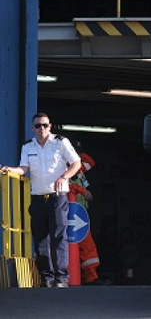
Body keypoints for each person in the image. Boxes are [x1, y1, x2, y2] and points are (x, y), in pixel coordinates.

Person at [0, 113, 81, 288]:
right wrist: (9, 170)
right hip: (37, 198)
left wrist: (64, 177)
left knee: (58, 236)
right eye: (38, 126)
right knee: (40, 237)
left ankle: (61, 278)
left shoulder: (60, 143)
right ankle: (47, 277)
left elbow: (76, 163)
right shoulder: (28, 147)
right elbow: (23, 168)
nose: (41, 129)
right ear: (33, 128)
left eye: (44, 125)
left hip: (57, 197)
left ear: (50, 126)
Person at [68, 141, 108, 285]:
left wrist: (77, 152)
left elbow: (90, 162)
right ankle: (90, 278)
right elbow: (66, 185)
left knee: (85, 247)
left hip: (79, 215)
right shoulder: (64, 169)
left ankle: (89, 277)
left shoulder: (77, 169)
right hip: (70, 214)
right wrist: (82, 191)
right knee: (85, 246)